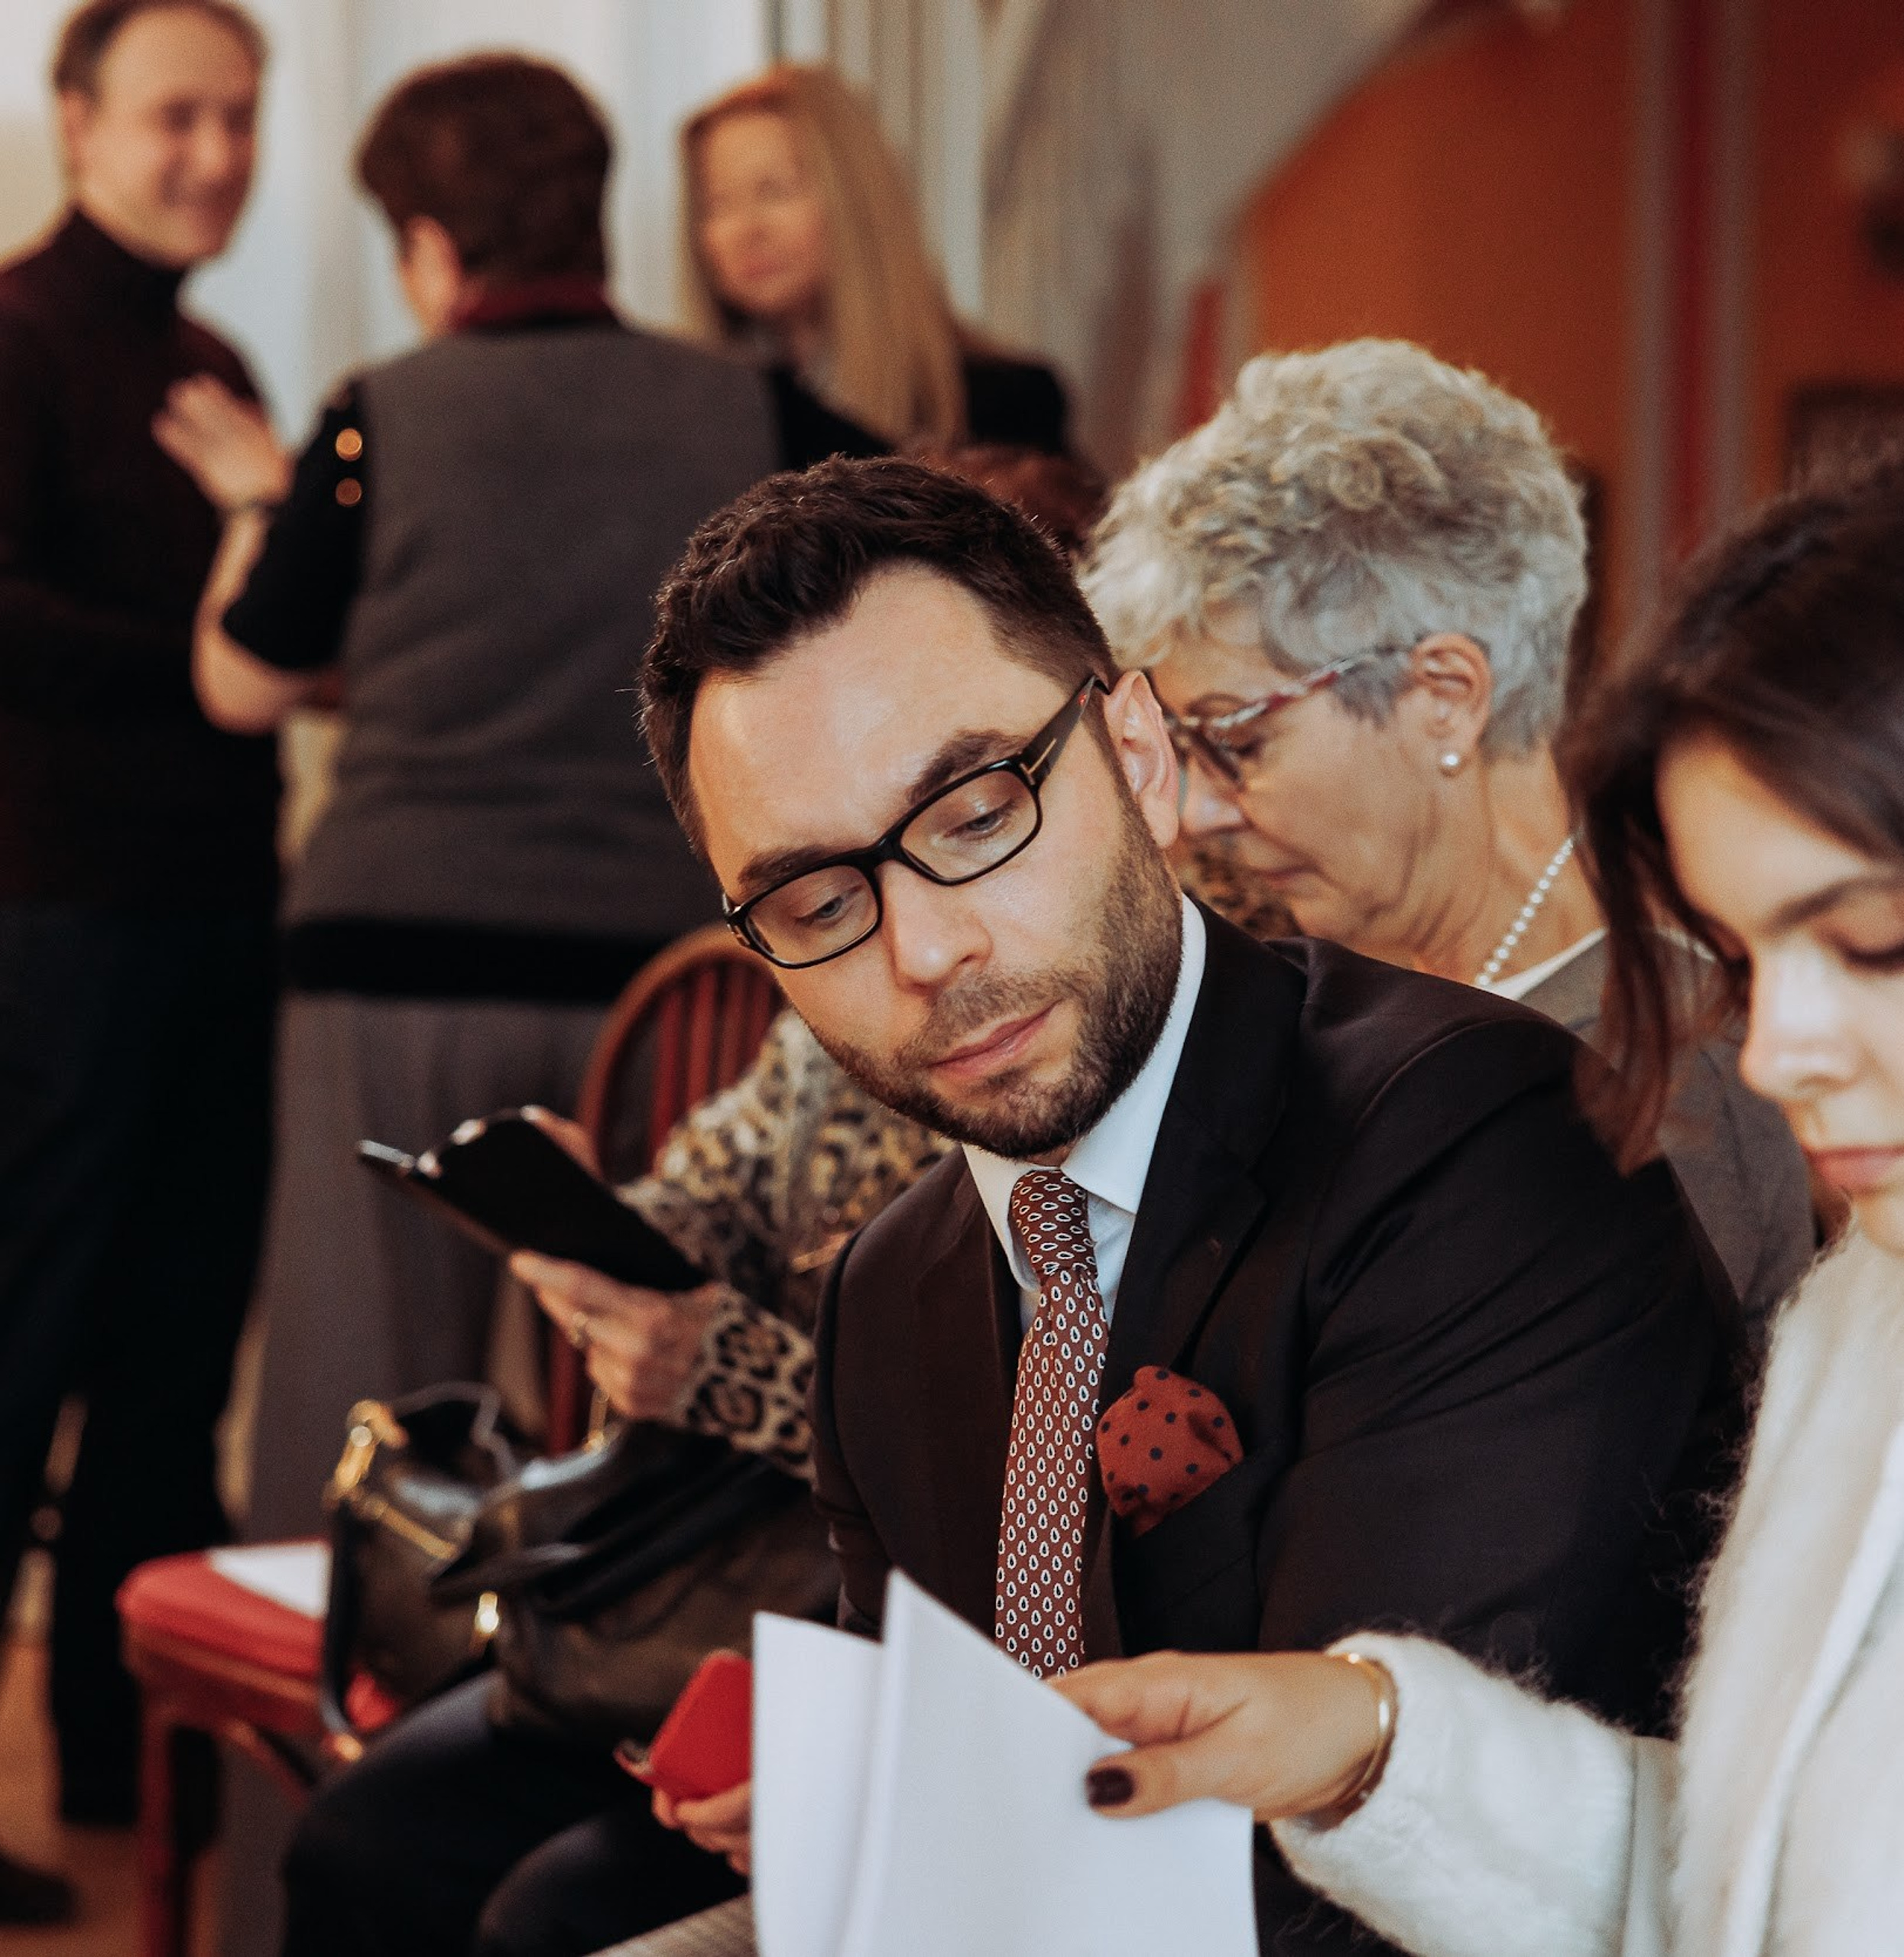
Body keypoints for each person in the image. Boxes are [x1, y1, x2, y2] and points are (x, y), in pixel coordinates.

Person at [632, 456, 1737, 1953]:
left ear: (1137, 754)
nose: (923, 948)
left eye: (972, 812)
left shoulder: (1470, 1143)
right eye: (820, 904)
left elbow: (1368, 1875)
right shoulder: (886, 1295)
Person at [1056, 419, 1904, 1957]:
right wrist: (1366, 1740)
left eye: (1870, 939)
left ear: (1447, 698)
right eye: (1744, 956)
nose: (1778, 1045)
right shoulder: (1874, 1308)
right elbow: (1745, 1888)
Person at [161, 54, 881, 1545]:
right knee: (631, 1380)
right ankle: (609, 1718)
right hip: (663, 974)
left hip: (390, 968)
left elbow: (239, 679)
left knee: (362, 1388)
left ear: (427, 243)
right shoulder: (754, 408)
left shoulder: (379, 416)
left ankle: (329, 1736)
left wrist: (255, 502)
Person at [1083, 340, 1813, 1352]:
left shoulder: (1666, 1063)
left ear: (1444, 698)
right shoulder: (1289, 963)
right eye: (1178, 750)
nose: (1195, 814)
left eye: (1238, 743)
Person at [277, 1011, 947, 1957]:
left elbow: (990, 1461)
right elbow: (710, 1207)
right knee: (359, 1837)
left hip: (907, 1631)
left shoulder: (1077, 1050)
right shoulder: (832, 1017)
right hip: (709, 1571)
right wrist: (601, 1232)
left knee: (548, 1917)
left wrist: (733, 1370)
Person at [0, 0, 269, 1900]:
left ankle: (126, 1787)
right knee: (16, 1360)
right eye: (177, 115)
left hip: (218, 915)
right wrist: (203, 657)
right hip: (48, 923)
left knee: (172, 1371)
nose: (213, 154)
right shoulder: (8, 336)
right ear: (75, 120)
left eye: (241, 119)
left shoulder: (214, 356)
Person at [680, 63, 1069, 455]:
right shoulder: (705, 416)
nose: (746, 228)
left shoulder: (1001, 403)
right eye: (718, 203)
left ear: (854, 201)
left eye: (775, 190)